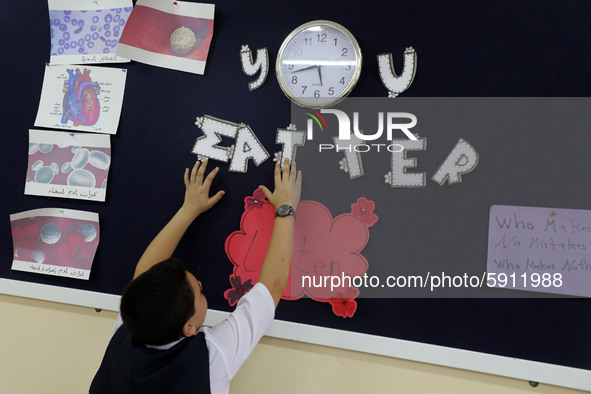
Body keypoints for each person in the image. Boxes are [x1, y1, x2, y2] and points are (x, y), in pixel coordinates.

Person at [90, 158, 302, 394]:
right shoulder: (212, 357)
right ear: (189, 327)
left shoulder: (131, 326)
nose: (201, 284)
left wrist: (188, 209)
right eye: (199, 293)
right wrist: (285, 208)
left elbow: (144, 273)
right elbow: (272, 286)